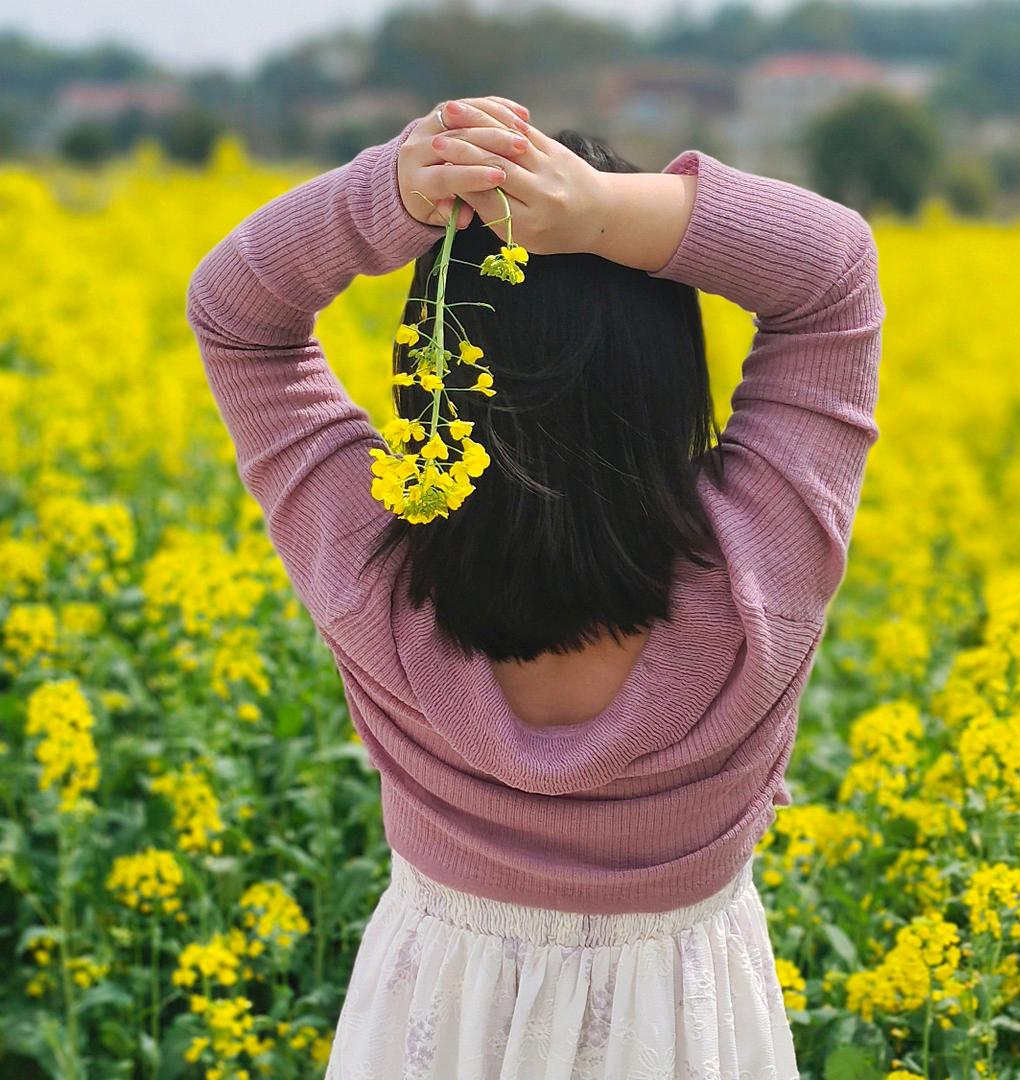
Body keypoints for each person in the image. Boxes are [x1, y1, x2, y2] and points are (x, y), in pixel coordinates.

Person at [186, 94, 885, 1079]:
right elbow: (834, 274)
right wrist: (602, 214)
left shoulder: (371, 572)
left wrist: (389, 191)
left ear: (437, 370)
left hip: (433, 1019)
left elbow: (237, 317)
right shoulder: (759, 574)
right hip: (681, 1029)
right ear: (667, 375)